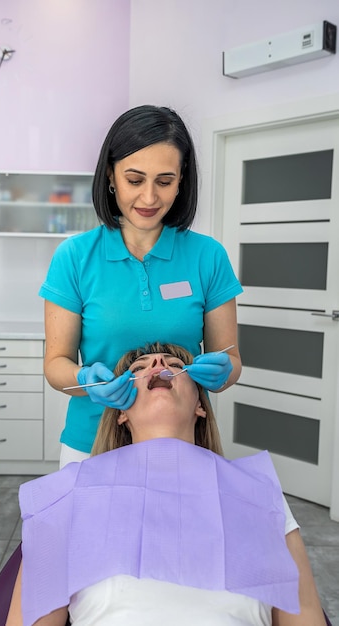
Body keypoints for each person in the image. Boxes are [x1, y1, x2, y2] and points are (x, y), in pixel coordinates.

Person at [5, 342, 326, 626]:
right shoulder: (69, 493)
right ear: (121, 413)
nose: (159, 366)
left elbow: (305, 616)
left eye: (175, 365)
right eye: (139, 369)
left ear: (201, 405)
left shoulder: (259, 491)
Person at [39, 104, 243, 467]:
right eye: (135, 180)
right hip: (91, 444)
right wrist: (86, 380)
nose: (149, 198)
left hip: (183, 445)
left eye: (164, 181)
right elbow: (56, 364)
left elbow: (231, 359)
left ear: (182, 181)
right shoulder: (74, 257)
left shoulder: (207, 257)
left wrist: (224, 372)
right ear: (110, 176)